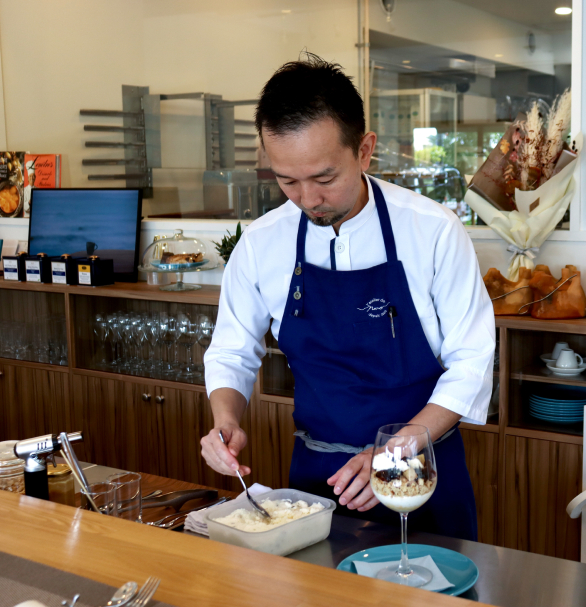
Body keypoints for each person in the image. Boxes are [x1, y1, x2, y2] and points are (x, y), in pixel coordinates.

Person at [199, 53, 495, 541]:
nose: (307, 199)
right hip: (318, 482)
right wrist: (225, 420)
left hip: (419, 472)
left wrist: (393, 454)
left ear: (364, 150)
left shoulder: (432, 231)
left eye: (323, 178)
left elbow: (472, 362)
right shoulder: (262, 242)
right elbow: (232, 350)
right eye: (286, 180)